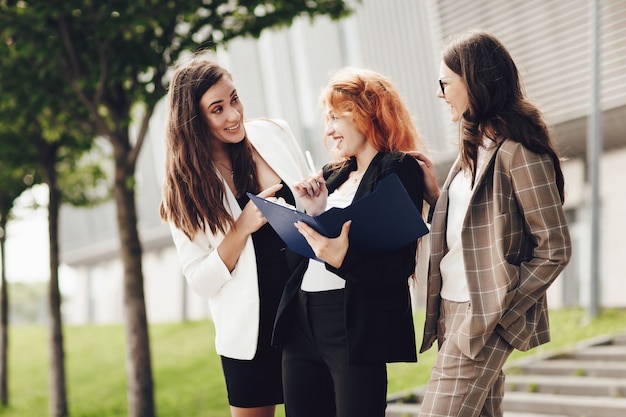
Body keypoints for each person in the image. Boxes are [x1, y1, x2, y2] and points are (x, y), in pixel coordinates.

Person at [413, 30, 572, 417]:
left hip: (482, 313)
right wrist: (437, 197)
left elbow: (555, 248)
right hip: (452, 308)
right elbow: (471, 229)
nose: (439, 93)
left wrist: (500, 313)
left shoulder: (519, 152)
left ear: (475, 83)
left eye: (445, 83)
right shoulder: (473, 147)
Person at [271, 67, 426, 417]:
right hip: (301, 320)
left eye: (335, 118)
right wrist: (312, 213)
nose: (328, 130)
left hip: (352, 324)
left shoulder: (397, 169)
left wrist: (344, 258)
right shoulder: (331, 175)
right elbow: (302, 261)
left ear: (367, 113)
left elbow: (398, 266)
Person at [159, 59, 309, 417]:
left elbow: (313, 210)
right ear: (193, 122)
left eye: (235, 99)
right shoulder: (185, 190)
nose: (233, 115)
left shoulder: (274, 133)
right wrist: (241, 228)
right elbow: (200, 280)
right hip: (251, 332)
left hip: (310, 314)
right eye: (217, 109)